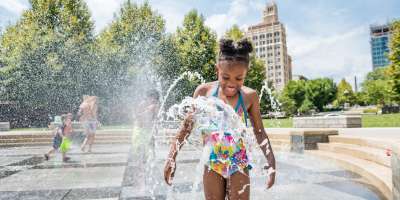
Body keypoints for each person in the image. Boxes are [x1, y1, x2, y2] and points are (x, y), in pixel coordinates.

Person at [164, 38, 276, 199]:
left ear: (246, 73)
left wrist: (271, 162)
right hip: (212, 159)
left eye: (239, 78)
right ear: (217, 70)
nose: (232, 84)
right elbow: (186, 127)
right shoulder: (204, 92)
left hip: (238, 161)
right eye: (225, 77)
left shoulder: (249, 96)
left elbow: (259, 131)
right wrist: (171, 157)